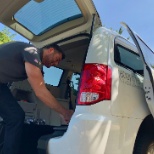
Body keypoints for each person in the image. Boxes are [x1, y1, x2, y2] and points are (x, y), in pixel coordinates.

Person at [0, 41, 74, 154]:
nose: (57, 63)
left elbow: (41, 87)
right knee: (15, 117)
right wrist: (65, 112)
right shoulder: (32, 52)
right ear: (51, 50)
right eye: (57, 58)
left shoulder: (35, 63)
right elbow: (40, 91)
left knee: (15, 116)